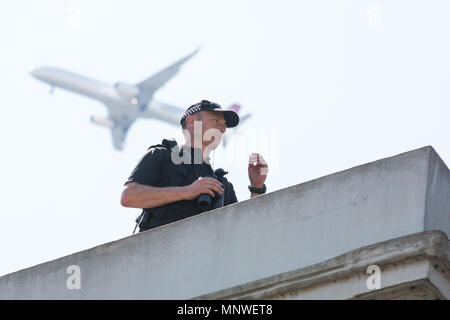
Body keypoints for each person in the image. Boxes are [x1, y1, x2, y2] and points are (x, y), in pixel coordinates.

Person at [121, 100, 268, 233]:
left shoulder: (222, 185)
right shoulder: (161, 155)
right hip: (156, 253)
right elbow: (129, 197)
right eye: (216, 121)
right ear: (191, 122)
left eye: (224, 126)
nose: (223, 129)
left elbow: (241, 229)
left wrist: (256, 188)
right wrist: (188, 191)